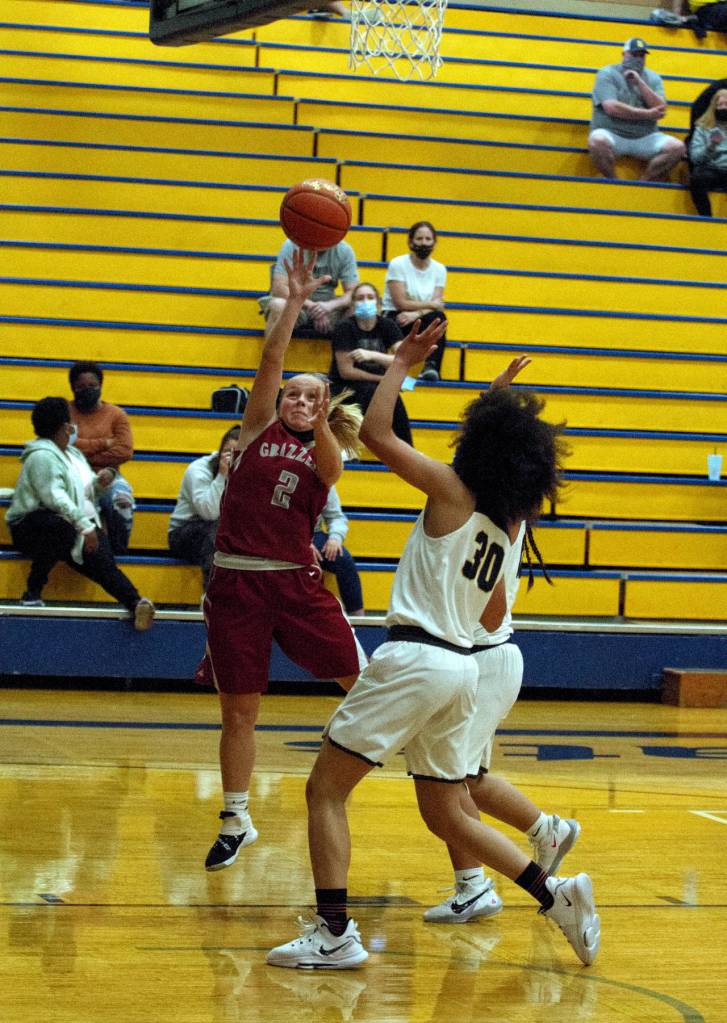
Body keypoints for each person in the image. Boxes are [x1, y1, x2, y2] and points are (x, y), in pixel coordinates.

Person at [267, 337, 600, 970]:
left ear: (476, 446)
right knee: (446, 808)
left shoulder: (449, 489)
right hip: (462, 669)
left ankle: (334, 933)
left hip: (416, 657)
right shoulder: (507, 524)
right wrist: (497, 396)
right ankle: (553, 892)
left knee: (325, 792)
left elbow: (379, 433)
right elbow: (494, 610)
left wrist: (398, 366)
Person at [200, 249, 366, 873]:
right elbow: (271, 358)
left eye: (309, 397)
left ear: (323, 406)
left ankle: (409, 754)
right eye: (292, 395)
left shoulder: (324, 453)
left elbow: (331, 466)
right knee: (239, 708)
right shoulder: (255, 430)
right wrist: (293, 302)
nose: (297, 401)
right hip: (237, 583)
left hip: (295, 584)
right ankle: (236, 817)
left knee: (359, 682)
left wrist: (323, 419)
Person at [423, 519, 581, 924]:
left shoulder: (492, 513)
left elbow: (491, 613)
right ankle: (546, 830)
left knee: (448, 782)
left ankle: (473, 887)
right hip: (482, 659)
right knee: (470, 778)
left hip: (483, 656)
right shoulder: (495, 506)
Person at [5, 396, 155, 628]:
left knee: (101, 557)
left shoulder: (73, 455)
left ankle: (135, 602)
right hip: (31, 526)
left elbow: (82, 495)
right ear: (65, 426)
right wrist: (84, 526)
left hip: (68, 525)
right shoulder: (41, 456)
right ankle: (32, 592)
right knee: (59, 527)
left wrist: (99, 484)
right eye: (70, 422)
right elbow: (54, 497)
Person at [589, 38, 685, 181]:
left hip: (645, 136)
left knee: (677, 147)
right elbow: (612, 108)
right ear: (624, 54)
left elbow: (660, 109)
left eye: (641, 55)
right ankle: (613, 182)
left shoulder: (653, 77)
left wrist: (639, 82)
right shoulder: (607, 73)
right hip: (612, 133)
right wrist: (648, 114)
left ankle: (643, 183)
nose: (638, 59)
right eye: (634, 55)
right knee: (597, 141)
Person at [329, 281, 413, 446]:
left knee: (391, 396)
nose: (365, 301)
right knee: (371, 390)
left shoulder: (387, 325)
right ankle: (359, 446)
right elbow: (347, 371)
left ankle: (408, 448)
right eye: (360, 298)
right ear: (353, 305)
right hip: (344, 386)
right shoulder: (345, 327)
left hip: (374, 385)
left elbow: (404, 359)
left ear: (378, 303)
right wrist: (383, 379)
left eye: (370, 297)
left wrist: (372, 355)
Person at [69, 361, 135, 554]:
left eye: (92, 386)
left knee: (122, 501)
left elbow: (124, 451)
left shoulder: (117, 415)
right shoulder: (64, 412)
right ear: (73, 388)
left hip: (108, 475)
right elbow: (64, 447)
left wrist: (82, 448)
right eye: (81, 387)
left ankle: (118, 551)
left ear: (101, 386)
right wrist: (104, 443)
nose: (86, 390)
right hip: (72, 476)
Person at [168, 426, 241, 590]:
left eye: (240, 453)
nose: (234, 458)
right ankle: (213, 597)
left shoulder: (254, 470)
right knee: (218, 532)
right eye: (230, 452)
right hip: (185, 531)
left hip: (228, 530)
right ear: (221, 450)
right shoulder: (200, 469)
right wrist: (223, 475)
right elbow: (209, 512)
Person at [382, 221, 447, 382]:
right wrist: (428, 307)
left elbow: (436, 306)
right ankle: (388, 369)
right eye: (419, 239)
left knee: (439, 318)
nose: (424, 243)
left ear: (434, 242)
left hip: (419, 316)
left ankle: (431, 366)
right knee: (392, 322)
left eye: (428, 239)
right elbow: (400, 302)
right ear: (410, 242)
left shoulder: (440, 269)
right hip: (395, 315)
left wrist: (417, 313)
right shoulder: (398, 264)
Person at [258, 239, 359, 339]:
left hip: (328, 309)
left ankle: (350, 354)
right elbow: (279, 289)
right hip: (297, 306)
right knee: (277, 305)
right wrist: (313, 307)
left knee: (360, 308)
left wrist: (329, 306)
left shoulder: (345, 250)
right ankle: (272, 355)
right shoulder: (292, 245)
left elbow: (353, 293)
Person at [314, 485, 364, 617]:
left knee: (343, 559)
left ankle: (360, 620)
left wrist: (335, 538)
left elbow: (336, 517)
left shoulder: (324, 476)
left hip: (315, 533)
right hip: (285, 536)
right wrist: (300, 541)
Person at [687, 88, 727, 216]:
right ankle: (706, 218)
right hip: (712, 169)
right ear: (713, 107)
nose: (723, 108)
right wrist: (711, 146)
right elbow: (695, 158)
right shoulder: (702, 127)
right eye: (720, 105)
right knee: (697, 179)